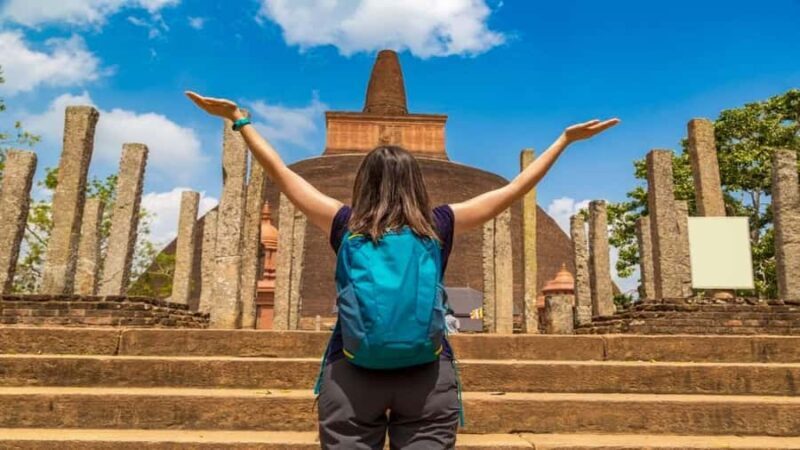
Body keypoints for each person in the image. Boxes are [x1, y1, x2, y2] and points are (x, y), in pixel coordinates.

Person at [185, 90, 619, 449]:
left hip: (351, 371)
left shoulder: (344, 223)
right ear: (417, 181)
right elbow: (514, 189)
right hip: (428, 375)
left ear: (363, 181)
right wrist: (563, 140)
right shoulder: (439, 225)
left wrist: (239, 120)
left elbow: (280, 174)